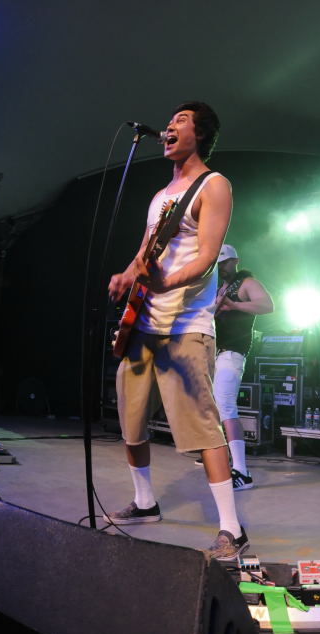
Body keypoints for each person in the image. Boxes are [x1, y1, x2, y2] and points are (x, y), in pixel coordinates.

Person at [105, 101, 248, 560]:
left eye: (180, 121)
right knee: (131, 423)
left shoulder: (214, 184)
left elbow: (206, 256)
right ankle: (145, 502)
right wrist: (127, 275)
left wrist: (166, 282)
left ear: (200, 134)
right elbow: (145, 252)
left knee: (202, 429)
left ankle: (232, 529)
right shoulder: (160, 195)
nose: (168, 126)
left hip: (186, 326)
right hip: (142, 325)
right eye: (169, 122)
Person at [209, 244, 274, 489]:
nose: (220, 268)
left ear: (235, 261)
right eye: (217, 265)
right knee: (214, 408)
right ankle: (220, 456)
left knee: (226, 406)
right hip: (215, 354)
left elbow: (267, 305)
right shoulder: (220, 287)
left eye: (224, 263)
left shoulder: (247, 283)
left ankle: (242, 472)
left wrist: (235, 306)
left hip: (232, 353)